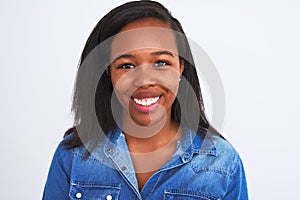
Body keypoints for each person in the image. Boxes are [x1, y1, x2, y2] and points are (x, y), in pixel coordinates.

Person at [43, 1, 248, 199]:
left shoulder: (223, 163)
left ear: (180, 68)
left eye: (161, 62)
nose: (144, 81)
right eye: (126, 66)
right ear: (108, 72)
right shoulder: (73, 156)